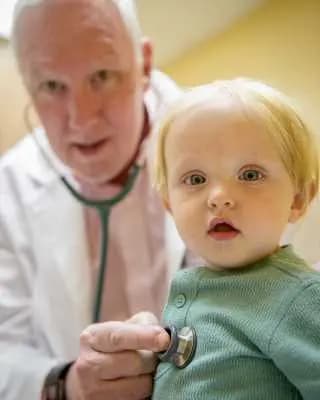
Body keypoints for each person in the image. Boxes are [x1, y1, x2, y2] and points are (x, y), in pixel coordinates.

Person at [0, 0, 180, 399]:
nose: (81, 119)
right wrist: (68, 384)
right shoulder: (6, 192)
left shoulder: (228, 139)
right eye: (51, 86)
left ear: (145, 65)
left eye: (101, 75)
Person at [152, 79, 320, 399]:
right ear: (169, 204)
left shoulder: (300, 299)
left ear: (298, 199)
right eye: (196, 179)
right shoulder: (190, 292)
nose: (219, 198)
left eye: (250, 175)